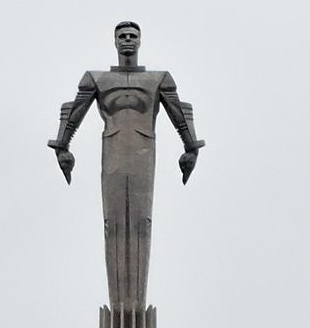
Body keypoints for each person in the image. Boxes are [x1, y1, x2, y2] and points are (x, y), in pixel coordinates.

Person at [49, 21, 204, 307]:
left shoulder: (158, 79)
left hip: (144, 154)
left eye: (133, 36)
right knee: (115, 224)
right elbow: (73, 114)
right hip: (113, 153)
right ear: (115, 42)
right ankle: (121, 305)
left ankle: (135, 305)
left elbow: (180, 115)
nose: (128, 40)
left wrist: (191, 147)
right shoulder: (96, 79)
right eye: (122, 36)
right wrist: (62, 146)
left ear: (140, 41)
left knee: (142, 223)